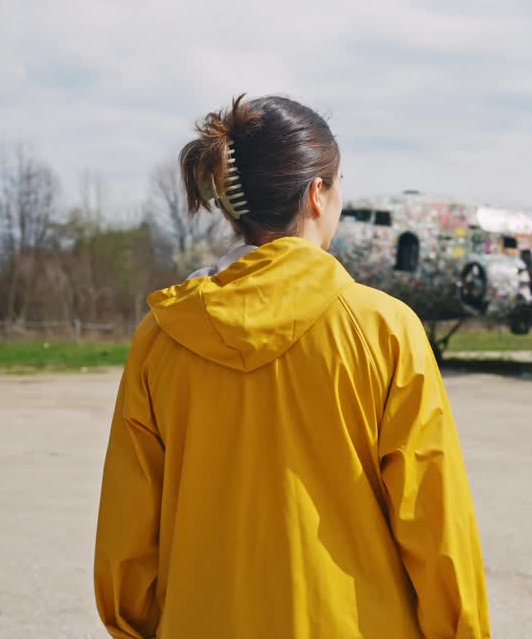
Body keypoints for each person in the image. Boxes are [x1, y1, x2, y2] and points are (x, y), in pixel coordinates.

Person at [94, 95, 491, 638]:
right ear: (316, 192)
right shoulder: (384, 329)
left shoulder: (162, 337)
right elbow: (435, 524)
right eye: (340, 183)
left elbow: (129, 534)